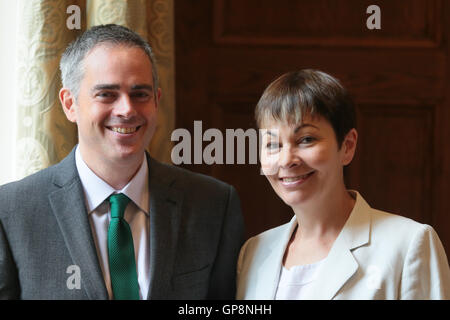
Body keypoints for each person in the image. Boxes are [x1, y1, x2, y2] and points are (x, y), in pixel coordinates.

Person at [0, 24, 244, 300]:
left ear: (156, 101)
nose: (127, 109)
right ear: (70, 104)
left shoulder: (214, 204)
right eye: (107, 94)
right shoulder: (11, 211)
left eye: (140, 94)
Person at [236, 70, 450, 299]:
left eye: (306, 139)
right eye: (272, 144)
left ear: (347, 146)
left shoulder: (408, 244)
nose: (287, 160)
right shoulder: (253, 252)